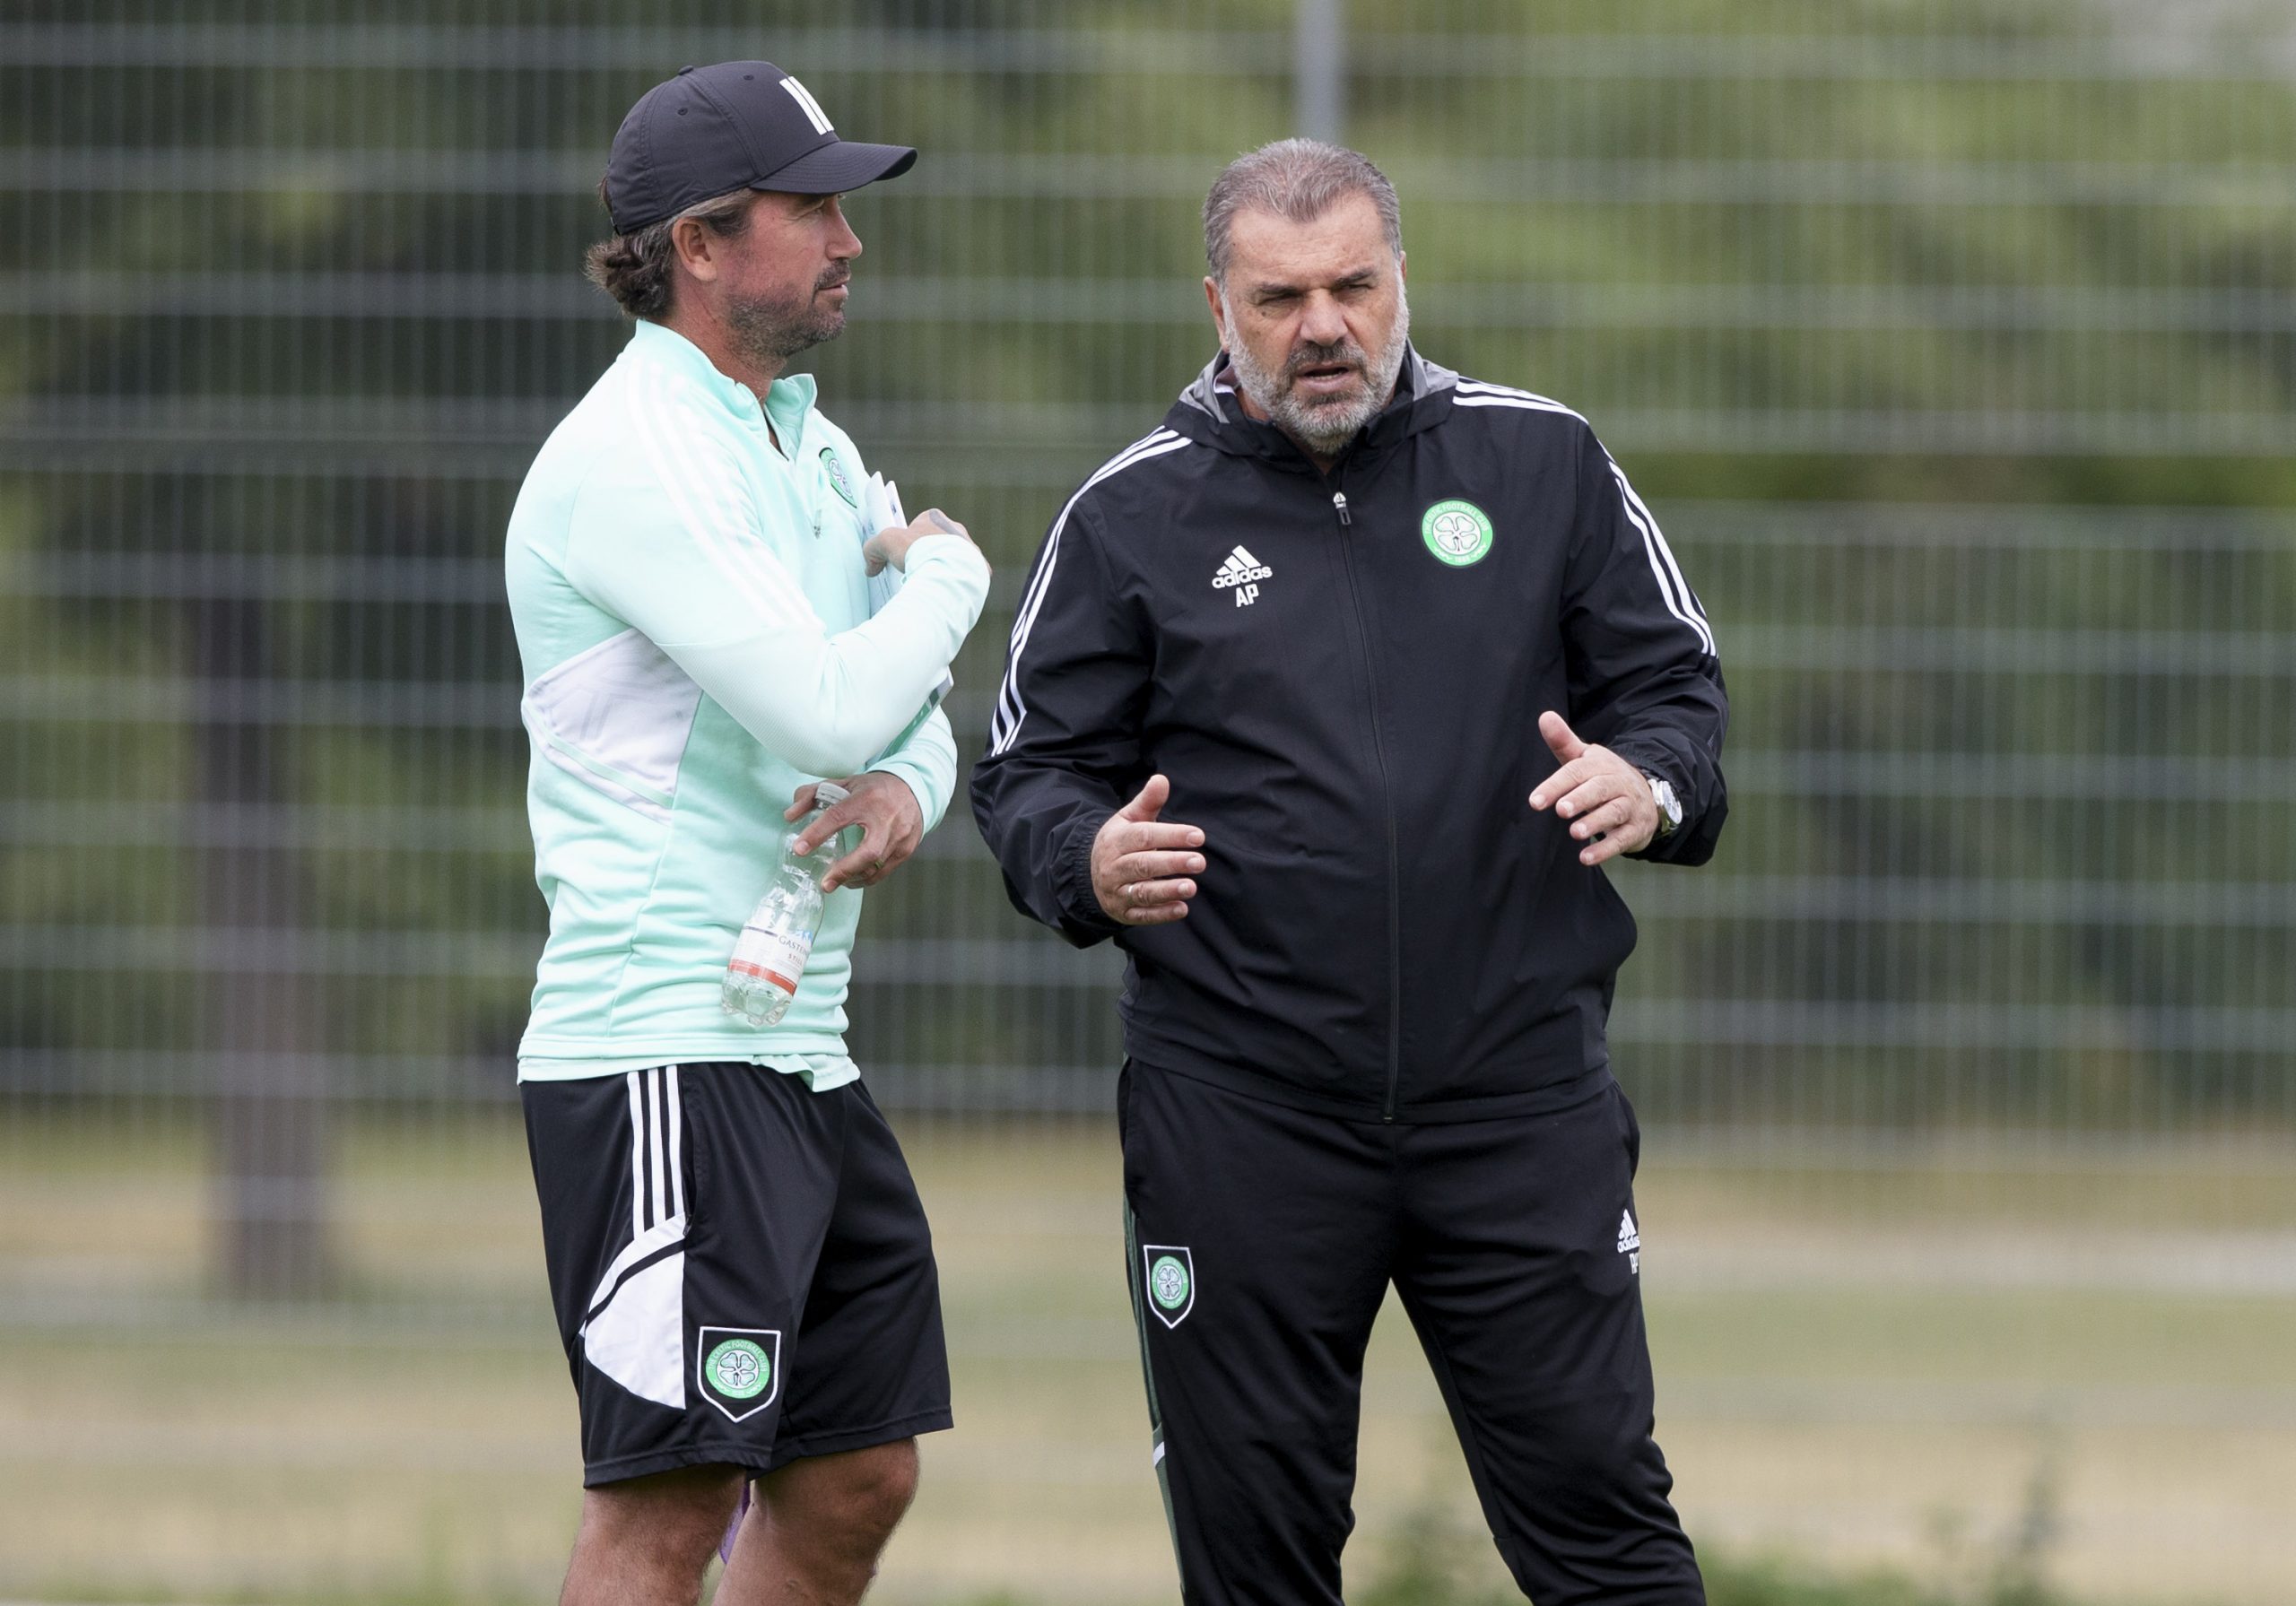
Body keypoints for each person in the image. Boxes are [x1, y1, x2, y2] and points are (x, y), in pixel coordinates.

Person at [971, 139, 1726, 1605]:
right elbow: (1026, 775)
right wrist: (1085, 859)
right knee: (1255, 1559)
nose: (1322, 326)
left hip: (1516, 1101)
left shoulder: (1543, 460)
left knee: (1606, 1532)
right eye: (1280, 297)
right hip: (1242, 1116)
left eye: (1352, 286)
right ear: (1218, 306)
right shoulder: (1128, 518)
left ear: (1399, 283)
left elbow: (1679, 694)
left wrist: (1653, 781)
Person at [504, 62, 990, 1606]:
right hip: (661, 1045)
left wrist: (915, 783)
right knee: (670, 1498)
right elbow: (834, 710)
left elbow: (891, 719)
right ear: (702, 243)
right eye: (816, 208)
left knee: (856, 1469)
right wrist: (954, 579)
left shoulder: (808, 442)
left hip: (795, 1048)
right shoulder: (637, 455)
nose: (851, 241)